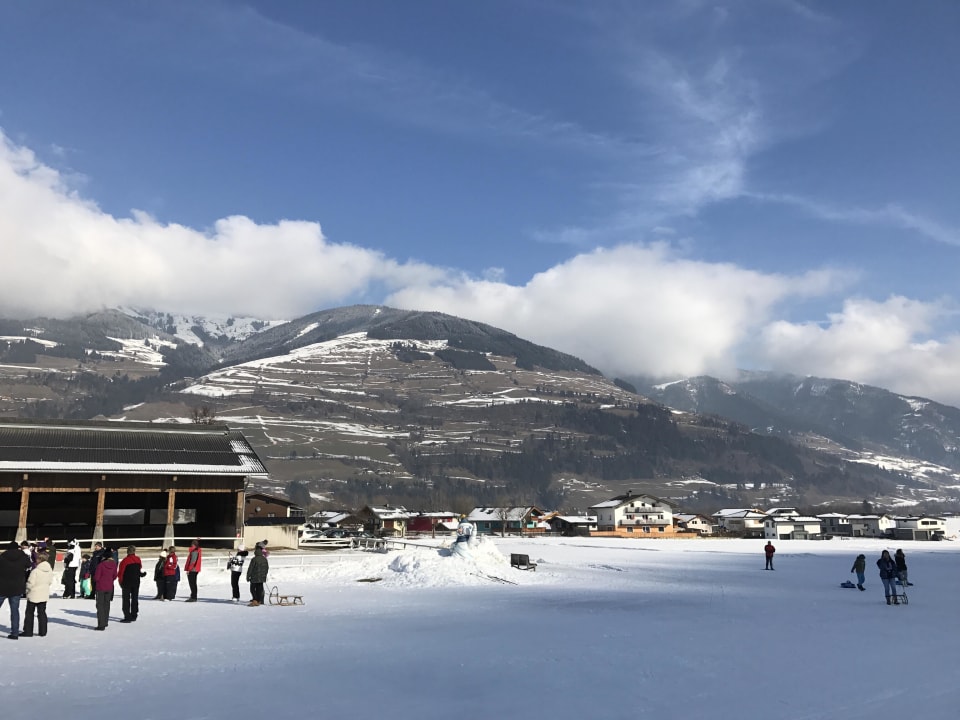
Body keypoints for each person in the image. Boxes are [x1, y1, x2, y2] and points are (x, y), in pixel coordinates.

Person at [0, 540, 32, 639]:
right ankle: (15, 633)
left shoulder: (2, 557)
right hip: (17, 587)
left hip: (2, 587)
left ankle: (14, 633)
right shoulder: (23, 557)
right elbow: (29, 565)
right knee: (15, 611)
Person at [22, 550, 53, 637]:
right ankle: (43, 631)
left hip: (34, 594)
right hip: (44, 593)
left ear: (40, 560)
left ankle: (28, 631)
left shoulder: (35, 571)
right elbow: (50, 581)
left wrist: (27, 590)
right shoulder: (49, 570)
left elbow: (30, 583)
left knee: (29, 613)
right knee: (42, 613)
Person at [117, 546, 146, 622]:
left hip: (127, 582)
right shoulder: (138, 559)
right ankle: (134, 614)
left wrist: (120, 581)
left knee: (126, 599)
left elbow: (121, 572)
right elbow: (139, 569)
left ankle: (127, 616)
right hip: (136, 582)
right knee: (135, 598)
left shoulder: (125, 561)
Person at [93, 546, 118, 630]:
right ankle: (106, 621)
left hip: (100, 587)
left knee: (100, 605)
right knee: (107, 604)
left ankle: (101, 624)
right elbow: (115, 575)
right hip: (109, 587)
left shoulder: (101, 565)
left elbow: (96, 577)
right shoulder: (114, 564)